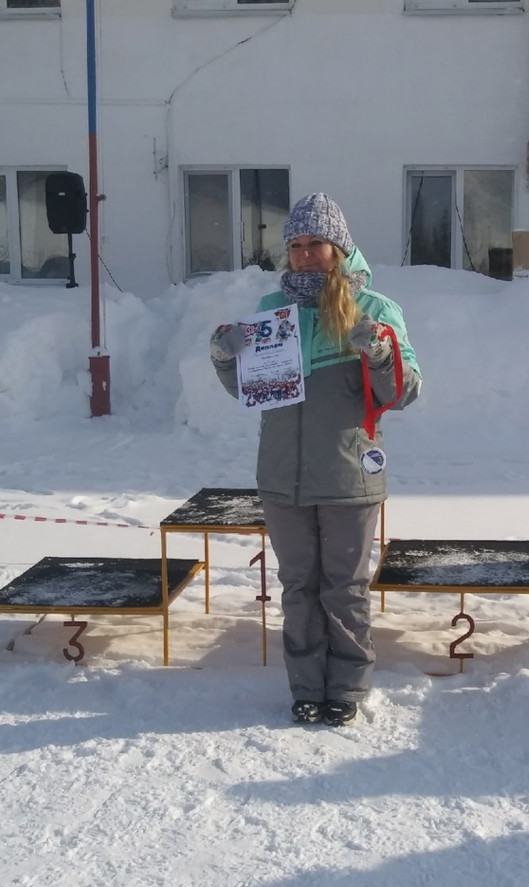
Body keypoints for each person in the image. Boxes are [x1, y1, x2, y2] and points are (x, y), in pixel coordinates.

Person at [210, 193, 422, 727]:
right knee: (298, 589)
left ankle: (346, 688)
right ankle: (306, 687)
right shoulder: (271, 311)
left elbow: (404, 392)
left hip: (348, 476)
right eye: (296, 245)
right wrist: (225, 359)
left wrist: (379, 353)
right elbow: (254, 391)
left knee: (344, 589)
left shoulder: (375, 309)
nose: (305, 254)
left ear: (339, 248)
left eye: (317, 244)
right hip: (283, 478)